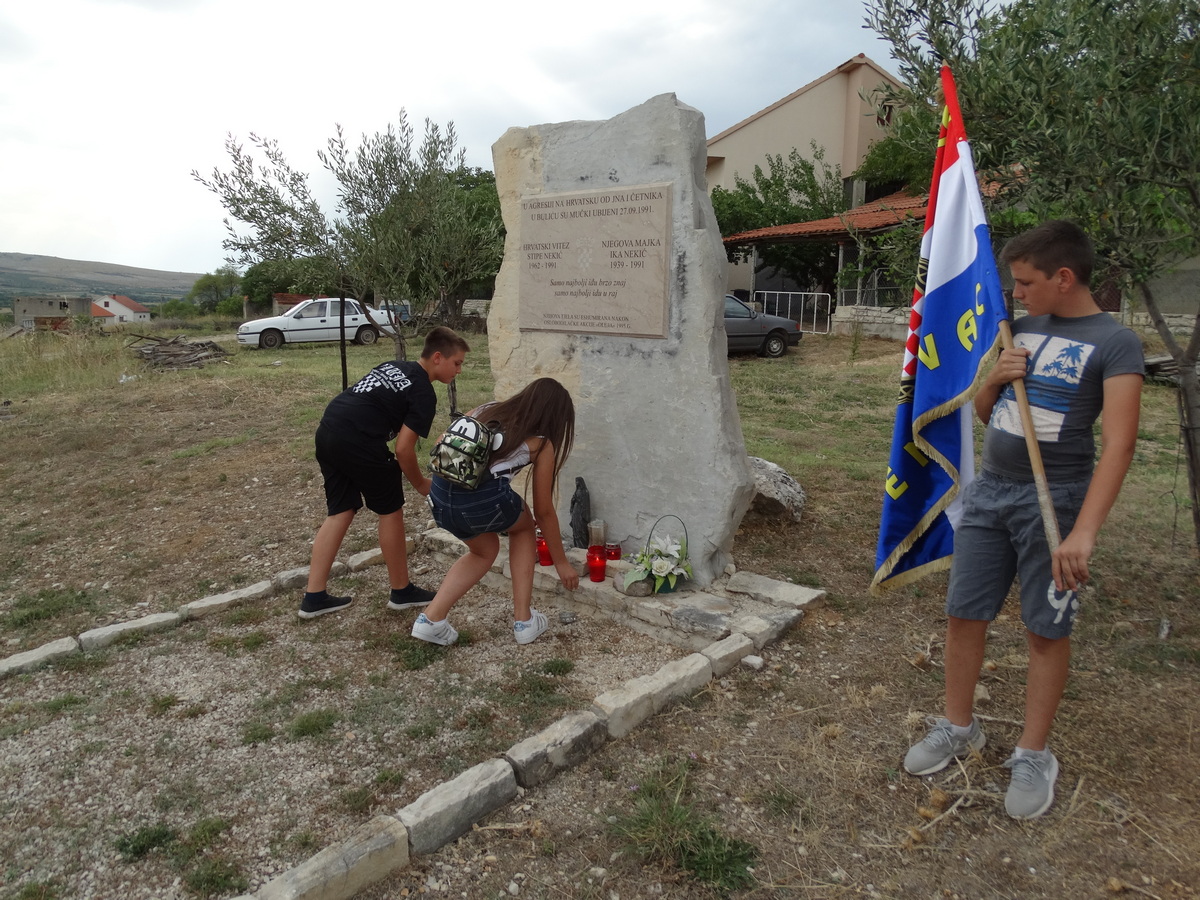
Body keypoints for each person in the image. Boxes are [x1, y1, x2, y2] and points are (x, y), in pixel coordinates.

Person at [903, 220, 1144, 819]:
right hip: (992, 491)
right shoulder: (1024, 329)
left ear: (1064, 278)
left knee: (1044, 628)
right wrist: (995, 379)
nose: (1017, 295)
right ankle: (959, 726)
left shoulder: (1115, 343)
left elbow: (1118, 443)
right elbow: (988, 413)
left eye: (1026, 283)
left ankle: (1034, 753)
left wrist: (1083, 531)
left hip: (1055, 500)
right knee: (965, 611)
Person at [298, 326, 470, 619]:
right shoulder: (423, 393)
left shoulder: (393, 365)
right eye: (457, 363)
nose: (459, 371)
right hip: (359, 439)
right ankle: (401, 591)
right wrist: (422, 485)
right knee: (391, 510)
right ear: (438, 357)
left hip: (328, 429)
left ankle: (314, 596)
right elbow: (404, 449)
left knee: (341, 510)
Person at [412, 377, 580, 646]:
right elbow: (545, 510)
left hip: (440, 497)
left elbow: (441, 442)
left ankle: (431, 619)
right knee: (524, 525)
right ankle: (524, 620)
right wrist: (561, 562)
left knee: (484, 550)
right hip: (477, 503)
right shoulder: (540, 442)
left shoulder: (485, 409)